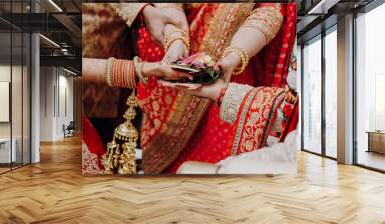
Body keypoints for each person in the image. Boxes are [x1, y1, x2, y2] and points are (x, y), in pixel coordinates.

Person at [136, 3, 297, 173]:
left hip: (232, 71)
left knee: (214, 166)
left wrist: (234, 56)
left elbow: (269, 10)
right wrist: (175, 38)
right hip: (169, 51)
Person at [82, 3, 190, 174]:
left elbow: (165, 10)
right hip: (89, 85)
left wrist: (174, 37)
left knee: (116, 154)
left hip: (113, 87)